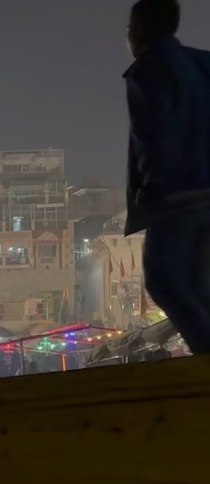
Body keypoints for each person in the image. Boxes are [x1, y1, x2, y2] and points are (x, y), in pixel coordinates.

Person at [124, 0, 210, 353]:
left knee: (164, 279)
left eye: (130, 27)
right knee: (197, 284)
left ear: (141, 29)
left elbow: (154, 137)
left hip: (176, 197)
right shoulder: (203, 62)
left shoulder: (148, 71)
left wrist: (152, 188)